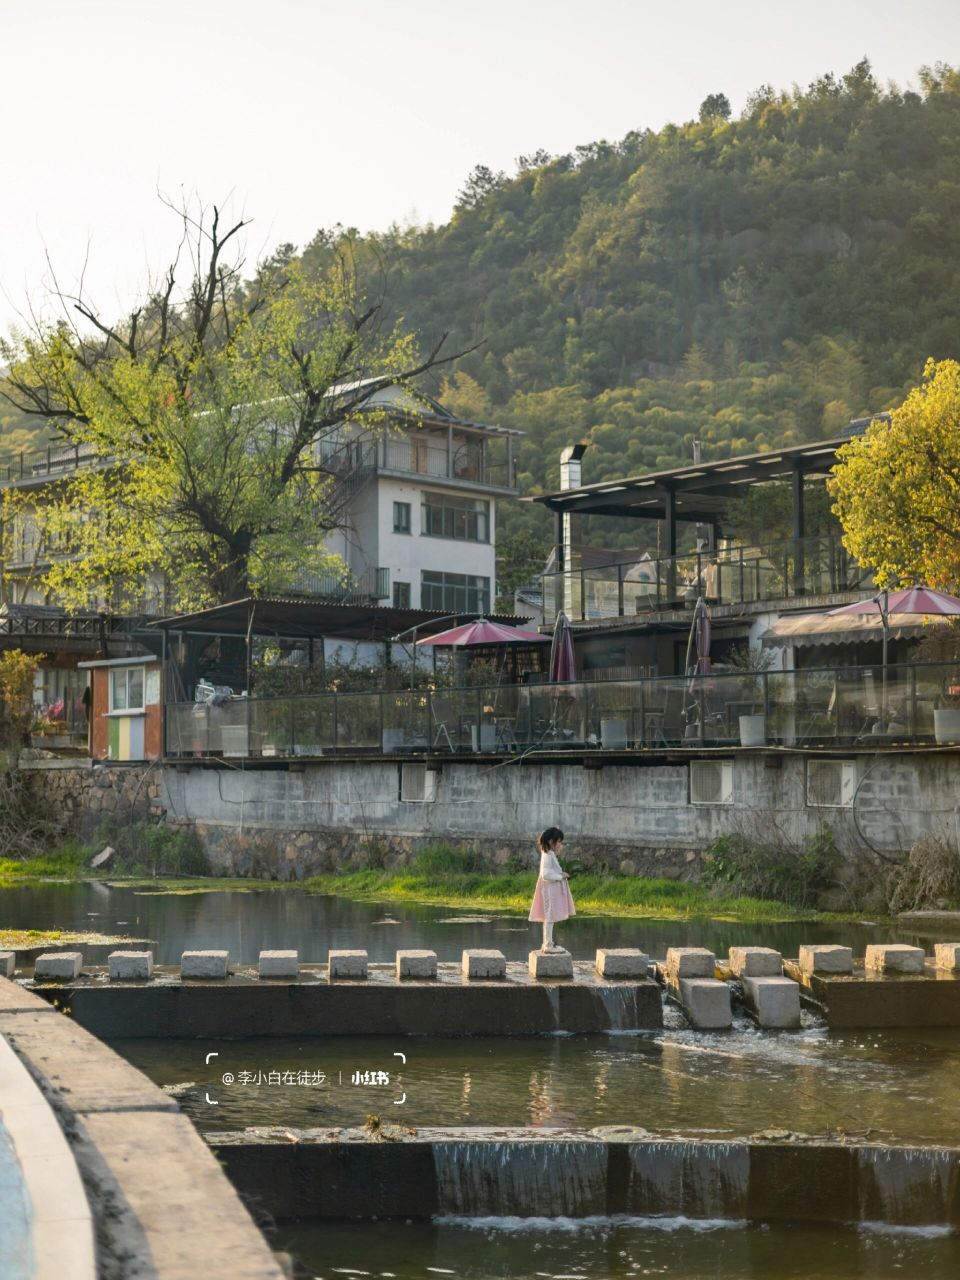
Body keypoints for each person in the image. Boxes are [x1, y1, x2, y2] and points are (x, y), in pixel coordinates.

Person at [528, 826, 576, 953]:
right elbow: (546, 875)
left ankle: (548, 943)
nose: (560, 844)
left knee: (550, 917)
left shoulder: (549, 854)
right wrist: (560, 876)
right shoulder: (548, 855)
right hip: (549, 890)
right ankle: (548, 945)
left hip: (551, 889)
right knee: (549, 917)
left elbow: (549, 872)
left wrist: (561, 874)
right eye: (559, 841)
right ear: (551, 841)